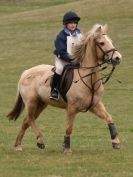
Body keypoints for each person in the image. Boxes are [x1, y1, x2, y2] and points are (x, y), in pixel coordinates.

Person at [50, 11, 82, 100]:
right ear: (66, 24)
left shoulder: (79, 34)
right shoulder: (61, 36)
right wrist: (72, 59)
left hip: (76, 59)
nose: (73, 25)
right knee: (59, 69)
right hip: (63, 59)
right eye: (71, 23)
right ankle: (54, 90)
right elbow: (61, 51)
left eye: (75, 23)